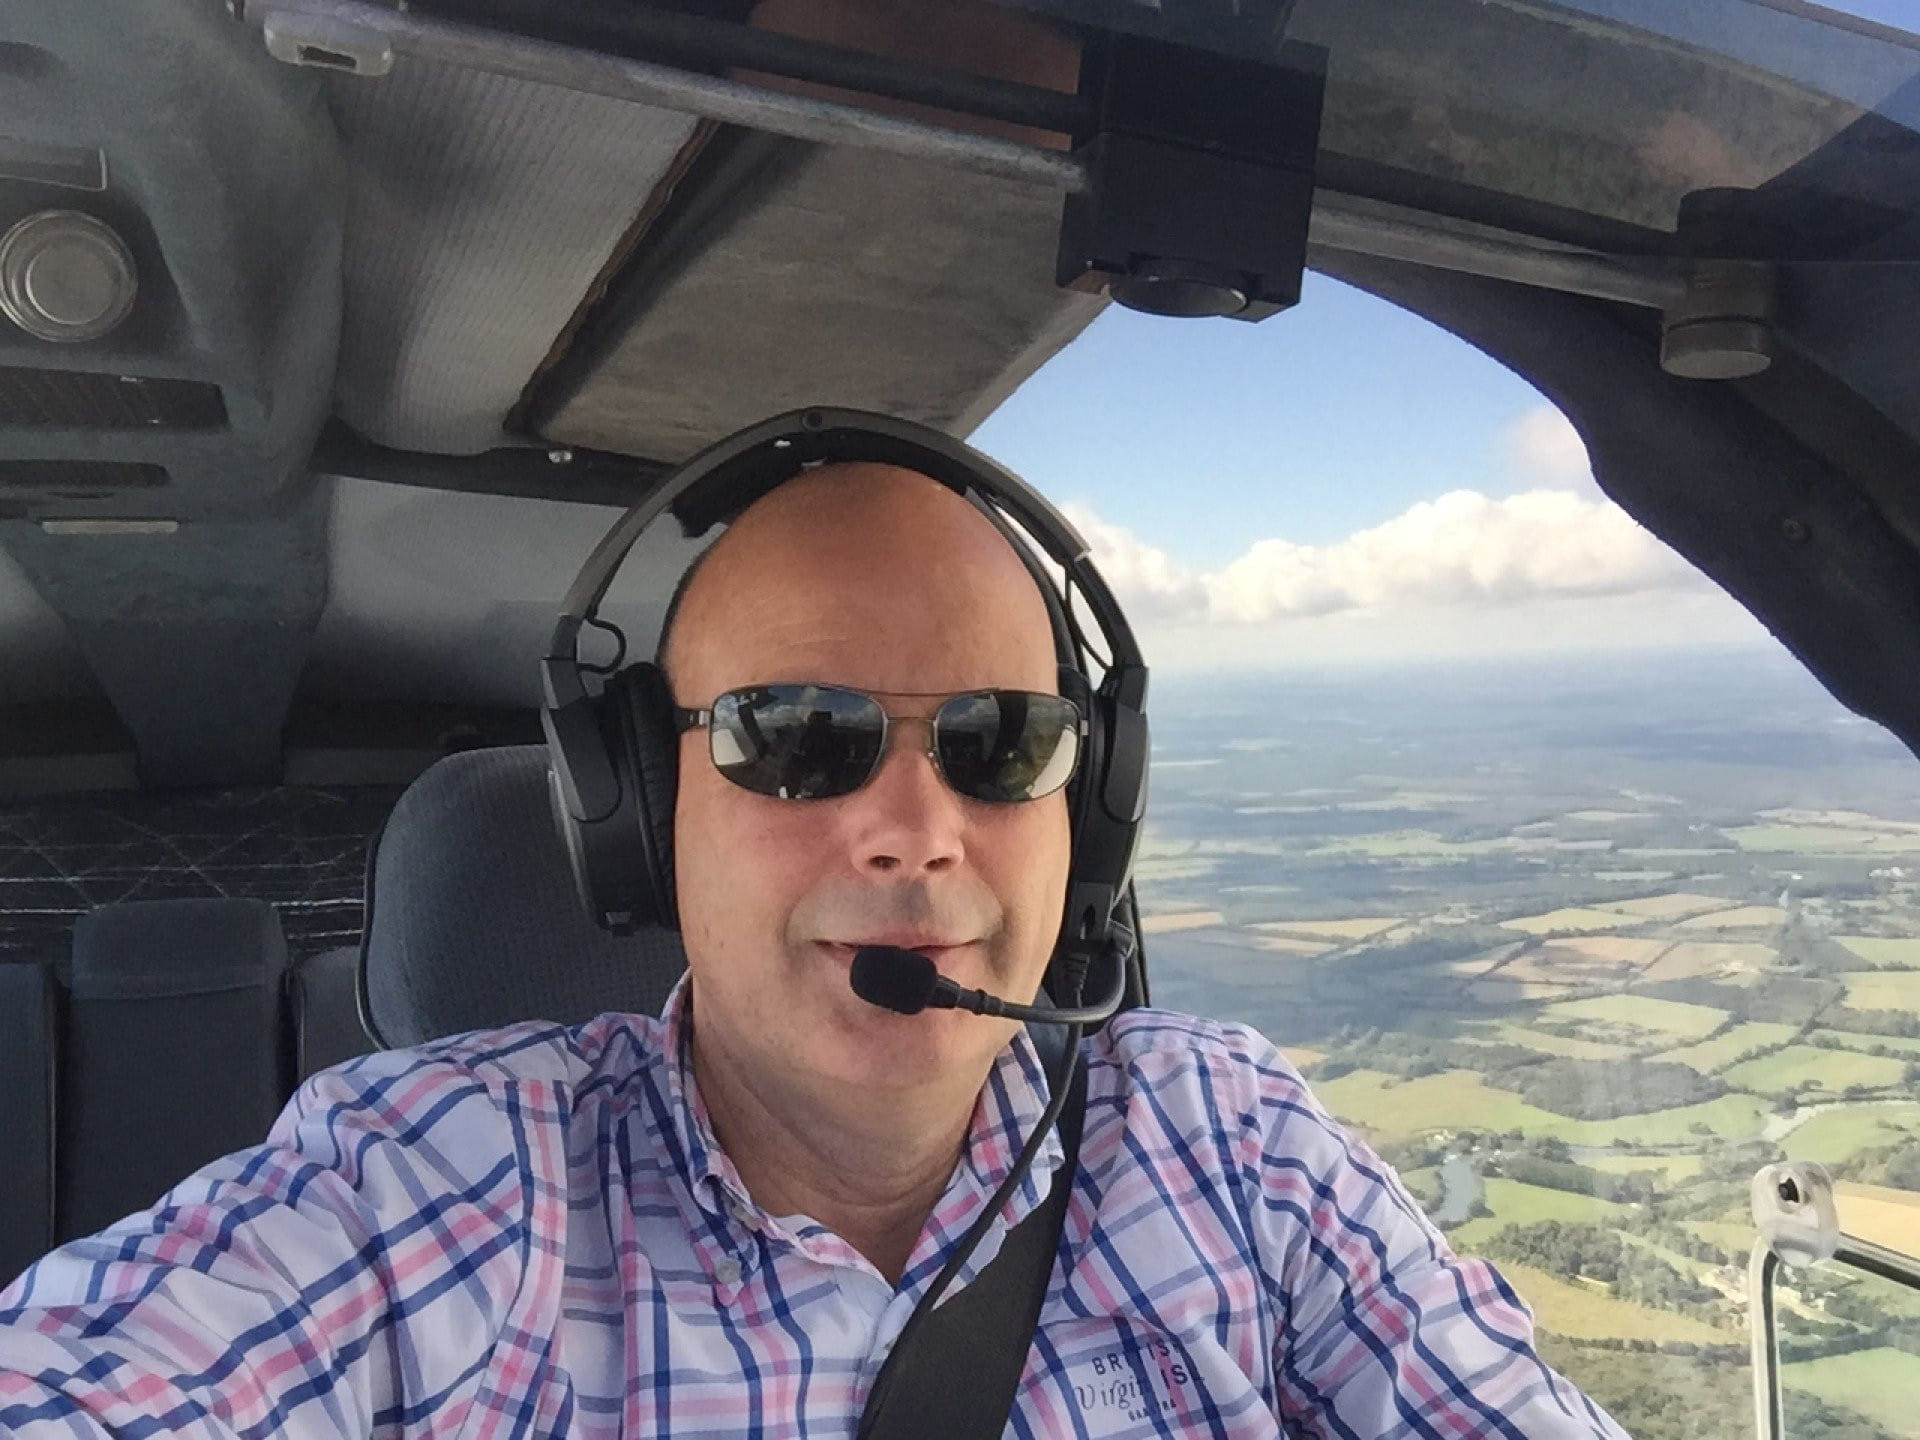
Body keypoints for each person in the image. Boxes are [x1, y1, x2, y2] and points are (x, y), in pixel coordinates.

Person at [0, 455, 1628, 1438]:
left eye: (1002, 740)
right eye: (798, 736)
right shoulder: (449, 1180)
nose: (913, 825)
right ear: (643, 820)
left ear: (1093, 809)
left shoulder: (1227, 1145)